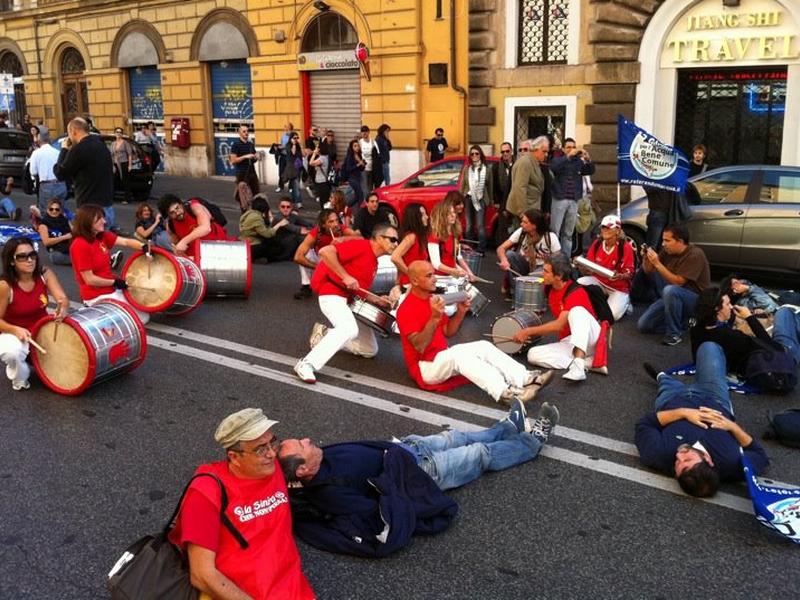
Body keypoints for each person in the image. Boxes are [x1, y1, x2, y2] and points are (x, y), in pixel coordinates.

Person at [277, 398, 559, 557]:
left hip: (406, 447)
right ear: (302, 470)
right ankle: (531, 443)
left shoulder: (317, 462)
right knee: (478, 454)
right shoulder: (329, 492)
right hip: (420, 471)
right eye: (302, 445)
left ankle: (507, 428)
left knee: (456, 436)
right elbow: (373, 508)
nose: (307, 439)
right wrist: (397, 479)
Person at [168, 408, 315, 599]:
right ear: (234, 457)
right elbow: (202, 575)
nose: (271, 454)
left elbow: (309, 460)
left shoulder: (272, 467)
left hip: (290, 585)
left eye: (273, 442)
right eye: (261, 449)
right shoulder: (206, 492)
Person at [397, 259, 553, 401]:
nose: (435, 278)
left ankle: (525, 378)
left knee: (483, 346)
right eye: (429, 275)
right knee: (458, 355)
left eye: (433, 274)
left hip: (440, 357)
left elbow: (448, 332)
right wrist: (434, 319)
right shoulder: (405, 309)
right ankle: (505, 393)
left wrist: (460, 313)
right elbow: (419, 346)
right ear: (414, 281)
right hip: (424, 367)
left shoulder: (433, 300)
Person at [635, 342, 769, 498]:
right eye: (688, 459)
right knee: (709, 347)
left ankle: (662, 377)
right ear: (709, 460)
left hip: (673, 399)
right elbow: (760, 455)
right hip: (714, 397)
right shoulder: (732, 463)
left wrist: (683, 413)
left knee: (668, 385)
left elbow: (645, 423)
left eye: (677, 465)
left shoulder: (658, 455)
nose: (679, 456)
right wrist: (733, 427)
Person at [293, 225, 399, 384]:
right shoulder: (361, 246)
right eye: (392, 239)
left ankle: (325, 335)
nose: (396, 244)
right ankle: (306, 364)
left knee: (370, 350)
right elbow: (325, 252)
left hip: (350, 301)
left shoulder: (374, 262)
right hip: (331, 294)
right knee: (349, 329)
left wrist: (377, 299)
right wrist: (345, 276)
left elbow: (358, 289)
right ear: (378, 238)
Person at [513, 254, 606, 382]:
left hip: (590, 339)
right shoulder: (550, 289)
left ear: (559, 276)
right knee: (533, 355)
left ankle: (579, 366)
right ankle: (589, 363)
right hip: (570, 341)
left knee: (576, 311)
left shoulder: (575, 292)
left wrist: (527, 331)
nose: (542, 274)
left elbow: (559, 325)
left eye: (546, 271)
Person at [0, 237, 69, 391]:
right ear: (12, 261)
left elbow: (62, 299)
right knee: (13, 353)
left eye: (32, 255)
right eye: (22, 257)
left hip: (42, 329)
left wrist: (62, 310)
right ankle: (19, 376)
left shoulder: (45, 273)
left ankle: (33, 358)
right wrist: (14, 330)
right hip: (15, 333)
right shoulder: (5, 286)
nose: (30, 260)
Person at [690, 288, 800, 385]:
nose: (731, 307)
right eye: (728, 304)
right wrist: (749, 317)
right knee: (785, 311)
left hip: (750, 360)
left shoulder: (697, 331)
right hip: (783, 358)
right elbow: (776, 348)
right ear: (717, 309)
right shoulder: (733, 337)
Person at [69, 204, 152, 324]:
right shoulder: (80, 245)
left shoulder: (101, 237)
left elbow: (126, 241)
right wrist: (114, 282)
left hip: (110, 288)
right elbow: (89, 279)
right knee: (142, 318)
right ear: (88, 223)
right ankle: (91, 309)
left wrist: (143, 247)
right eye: (99, 219)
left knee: (144, 305)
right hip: (96, 294)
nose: (104, 221)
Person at [633, 223, 710, 346]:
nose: (663, 244)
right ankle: (683, 324)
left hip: (695, 301)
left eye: (667, 240)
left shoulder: (695, 254)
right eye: (663, 240)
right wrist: (646, 258)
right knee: (643, 326)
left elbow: (678, 282)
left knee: (670, 290)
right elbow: (649, 271)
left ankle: (674, 334)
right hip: (671, 296)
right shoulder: (667, 251)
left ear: (679, 241)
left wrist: (657, 263)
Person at [53, 117, 116, 230]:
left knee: (88, 245)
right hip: (107, 205)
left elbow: (60, 173)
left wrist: (64, 150)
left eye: (69, 133)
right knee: (102, 245)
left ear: (73, 131)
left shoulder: (79, 149)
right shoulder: (102, 146)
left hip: (89, 209)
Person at [576, 214, 635, 321]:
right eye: (603, 227)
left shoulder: (625, 247)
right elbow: (588, 269)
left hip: (618, 287)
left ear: (617, 230)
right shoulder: (597, 244)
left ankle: (626, 303)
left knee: (612, 316)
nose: (605, 230)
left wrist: (620, 276)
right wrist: (581, 265)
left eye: (608, 227)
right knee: (579, 283)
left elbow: (630, 273)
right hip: (599, 281)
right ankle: (600, 302)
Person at [292, 209, 358, 300]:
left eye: (336, 220)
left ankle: (348, 285)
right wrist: (318, 267)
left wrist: (343, 239)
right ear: (323, 224)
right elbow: (297, 257)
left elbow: (360, 238)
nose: (335, 224)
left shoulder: (341, 229)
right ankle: (306, 286)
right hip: (321, 259)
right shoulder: (315, 233)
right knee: (307, 255)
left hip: (339, 259)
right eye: (331, 221)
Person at [496, 208, 560, 296]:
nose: (521, 224)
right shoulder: (521, 232)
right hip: (525, 264)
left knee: (533, 279)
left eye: (525, 222)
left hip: (541, 268)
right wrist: (504, 260)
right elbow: (501, 248)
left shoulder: (550, 237)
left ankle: (528, 294)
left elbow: (558, 259)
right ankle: (517, 293)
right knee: (509, 254)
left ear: (534, 226)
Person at [549, 138, 595, 258]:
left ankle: (566, 259)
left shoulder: (578, 162)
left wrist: (588, 159)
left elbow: (590, 170)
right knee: (555, 232)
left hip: (574, 200)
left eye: (573, 147)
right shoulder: (558, 159)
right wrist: (568, 156)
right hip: (559, 199)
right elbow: (554, 167)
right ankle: (554, 258)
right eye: (568, 147)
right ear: (563, 149)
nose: (572, 149)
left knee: (568, 233)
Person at [158, 194, 231, 259]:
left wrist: (184, 241)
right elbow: (177, 246)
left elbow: (206, 228)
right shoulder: (170, 225)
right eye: (172, 213)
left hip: (216, 246)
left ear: (181, 204)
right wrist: (178, 250)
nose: (178, 212)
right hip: (196, 255)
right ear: (168, 216)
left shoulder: (194, 206)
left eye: (177, 208)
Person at [427, 197, 475, 281]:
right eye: (449, 213)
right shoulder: (434, 235)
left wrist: (468, 273)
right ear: (442, 216)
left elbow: (457, 257)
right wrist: (455, 271)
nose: (453, 215)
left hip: (451, 276)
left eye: (453, 212)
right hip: (439, 277)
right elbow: (436, 264)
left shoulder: (454, 234)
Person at [458, 145, 494, 253]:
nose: (474, 156)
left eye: (476, 153)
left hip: (481, 199)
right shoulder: (466, 169)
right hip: (468, 199)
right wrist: (459, 199)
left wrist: (490, 201)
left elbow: (490, 187)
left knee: (480, 225)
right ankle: (470, 247)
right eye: (472, 154)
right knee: (469, 225)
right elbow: (462, 185)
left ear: (480, 155)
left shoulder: (487, 169)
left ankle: (481, 248)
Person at [505, 137, 547, 228]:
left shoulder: (534, 162)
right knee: (522, 238)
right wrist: (523, 213)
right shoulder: (526, 162)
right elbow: (520, 188)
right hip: (525, 211)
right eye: (544, 151)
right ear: (536, 149)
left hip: (532, 209)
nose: (546, 154)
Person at [239, 195, 290, 262]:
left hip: (246, 242)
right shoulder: (256, 218)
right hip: (252, 244)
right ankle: (260, 259)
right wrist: (279, 225)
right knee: (274, 249)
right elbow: (267, 234)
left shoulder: (249, 213)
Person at [391, 203, 430, 288]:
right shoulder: (411, 237)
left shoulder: (418, 237)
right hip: (410, 284)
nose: (427, 217)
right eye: (423, 215)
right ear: (416, 218)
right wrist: (410, 273)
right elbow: (395, 257)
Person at [28, 128, 67, 210]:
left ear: (39, 139)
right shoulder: (57, 152)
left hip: (47, 185)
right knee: (60, 211)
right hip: (60, 184)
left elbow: (33, 172)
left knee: (46, 212)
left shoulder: (36, 153)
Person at [37, 199, 72, 265]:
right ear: (47, 210)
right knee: (55, 257)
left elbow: (75, 232)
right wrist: (64, 237)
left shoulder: (65, 220)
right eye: (51, 209)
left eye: (57, 209)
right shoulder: (44, 224)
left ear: (60, 211)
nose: (54, 211)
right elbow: (46, 242)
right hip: (56, 249)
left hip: (70, 245)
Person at [493, 141, 515, 244]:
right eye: (502, 152)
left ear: (511, 151)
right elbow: (494, 186)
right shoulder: (496, 167)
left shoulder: (517, 164)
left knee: (515, 230)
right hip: (503, 203)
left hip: (516, 202)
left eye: (507, 151)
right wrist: (497, 202)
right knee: (502, 230)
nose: (505, 153)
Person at [110, 127, 134, 205]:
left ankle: (127, 198)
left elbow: (129, 154)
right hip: (116, 164)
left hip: (124, 163)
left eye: (120, 132)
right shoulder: (113, 143)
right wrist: (112, 164)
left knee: (125, 181)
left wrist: (130, 165)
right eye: (117, 132)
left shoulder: (125, 143)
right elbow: (111, 155)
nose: (118, 133)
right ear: (115, 133)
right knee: (113, 180)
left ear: (122, 134)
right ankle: (111, 197)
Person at [341, 138, 366, 210]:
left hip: (358, 177)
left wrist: (363, 165)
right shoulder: (350, 156)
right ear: (351, 147)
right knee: (361, 194)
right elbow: (348, 169)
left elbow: (361, 169)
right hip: (352, 178)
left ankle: (344, 207)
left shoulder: (359, 155)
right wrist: (358, 164)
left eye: (358, 146)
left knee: (356, 197)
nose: (357, 147)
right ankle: (362, 212)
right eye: (355, 146)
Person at [281, 132, 304, 209]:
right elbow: (293, 153)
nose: (296, 139)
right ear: (290, 138)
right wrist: (294, 144)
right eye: (294, 138)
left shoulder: (298, 146)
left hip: (298, 167)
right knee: (296, 185)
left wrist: (300, 145)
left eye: (297, 138)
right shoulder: (288, 145)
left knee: (294, 185)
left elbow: (303, 154)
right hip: (292, 168)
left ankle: (293, 201)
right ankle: (298, 202)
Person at [308, 142, 331, 207]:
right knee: (324, 199)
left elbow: (311, 163)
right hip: (323, 181)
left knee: (323, 200)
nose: (316, 149)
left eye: (317, 148)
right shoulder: (326, 157)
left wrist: (314, 154)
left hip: (322, 181)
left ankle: (324, 212)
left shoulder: (322, 158)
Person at [358, 125, 377, 195]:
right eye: (362, 132)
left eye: (365, 131)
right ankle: (366, 202)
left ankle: (370, 201)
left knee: (370, 187)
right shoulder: (360, 142)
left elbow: (377, 153)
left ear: (369, 132)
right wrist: (360, 162)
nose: (364, 133)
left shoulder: (373, 142)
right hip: (363, 168)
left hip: (372, 168)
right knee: (365, 187)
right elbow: (356, 154)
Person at [275, 122, 294, 192]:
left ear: (290, 127)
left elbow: (293, 145)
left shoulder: (293, 136)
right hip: (283, 156)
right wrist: (278, 147)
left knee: (290, 171)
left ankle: (291, 187)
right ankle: (280, 186)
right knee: (281, 172)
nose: (284, 127)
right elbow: (282, 144)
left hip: (290, 156)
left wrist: (284, 147)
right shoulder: (283, 136)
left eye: (286, 126)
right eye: (284, 126)